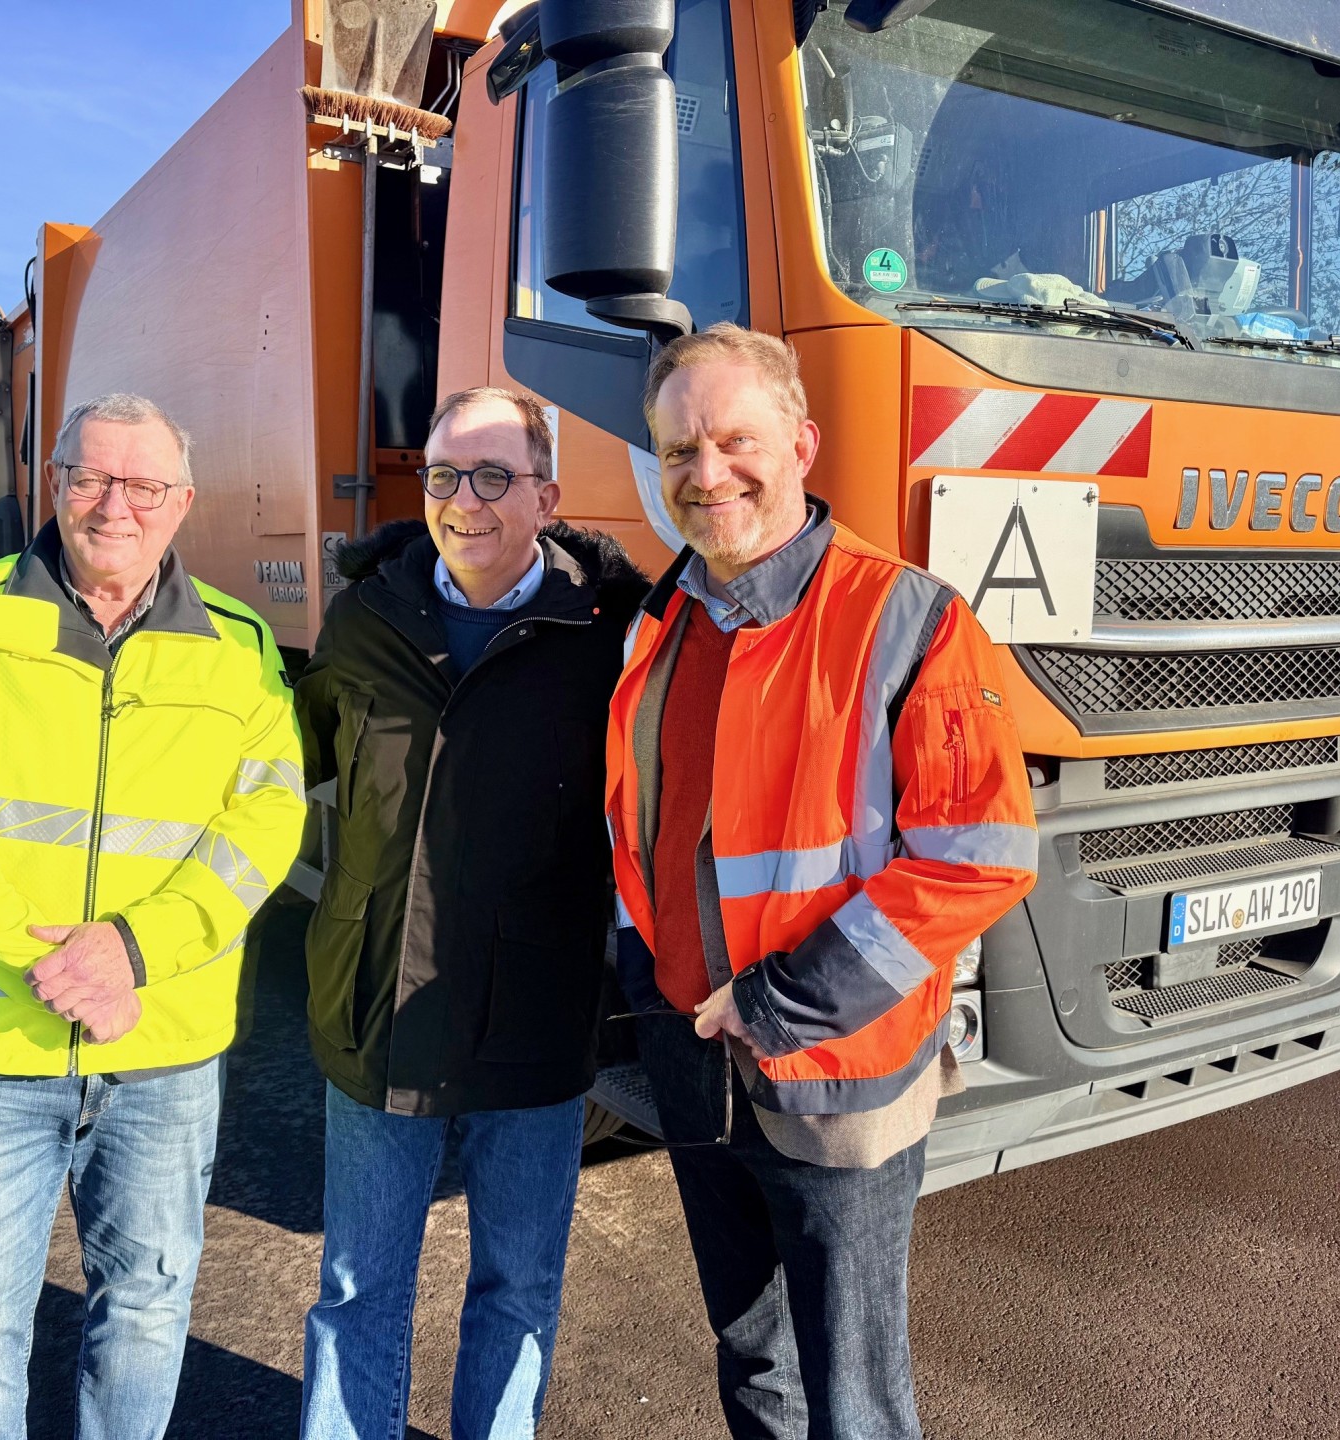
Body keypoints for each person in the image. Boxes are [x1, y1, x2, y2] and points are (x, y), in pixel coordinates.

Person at [606, 325, 1038, 1439]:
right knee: (754, 1368)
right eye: (678, 451)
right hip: (700, 1070)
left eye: (734, 440)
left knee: (855, 1401)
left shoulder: (907, 620)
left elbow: (981, 857)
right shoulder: (662, 620)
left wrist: (779, 1003)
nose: (707, 474)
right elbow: (647, 834)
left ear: (800, 444)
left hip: (835, 1077)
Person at [0, 393, 306, 1440]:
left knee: (147, 1317)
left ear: (181, 502)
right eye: (89, 478)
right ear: (53, 485)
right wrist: (50, 960)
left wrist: (136, 952)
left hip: (165, 1054)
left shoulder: (240, 648)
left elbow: (267, 825)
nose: (116, 505)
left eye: (143, 485)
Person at [295, 387, 648, 1440]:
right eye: (446, 475)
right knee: (359, 1288)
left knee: (518, 1289)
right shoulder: (366, 617)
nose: (465, 502)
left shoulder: (607, 632)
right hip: (378, 1011)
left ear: (546, 494)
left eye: (494, 477)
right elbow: (280, 763)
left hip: (533, 1021)